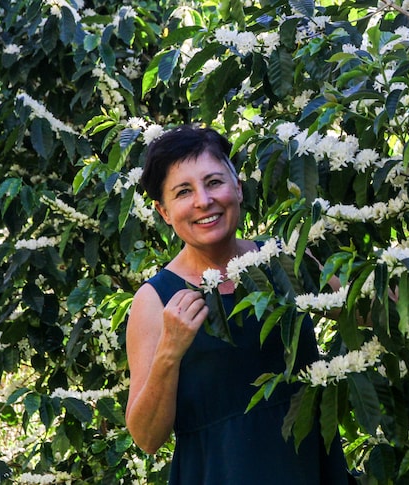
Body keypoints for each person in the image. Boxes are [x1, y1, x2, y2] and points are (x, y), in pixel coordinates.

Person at [125, 125, 352, 484]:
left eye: (214, 182)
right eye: (183, 192)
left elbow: (369, 310)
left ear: (238, 187)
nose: (203, 201)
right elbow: (147, 438)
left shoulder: (283, 260)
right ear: (163, 212)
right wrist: (169, 352)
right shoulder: (155, 300)